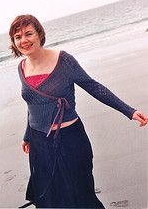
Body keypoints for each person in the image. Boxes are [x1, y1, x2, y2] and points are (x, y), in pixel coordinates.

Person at [9, 14, 147, 209]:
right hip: (39, 143)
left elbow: (92, 86)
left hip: (70, 140)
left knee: (82, 195)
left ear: (39, 34)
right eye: (17, 37)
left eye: (28, 34)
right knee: (49, 199)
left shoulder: (63, 60)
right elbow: (32, 105)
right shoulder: (21, 67)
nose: (23, 40)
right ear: (14, 43)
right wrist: (27, 135)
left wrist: (128, 111)